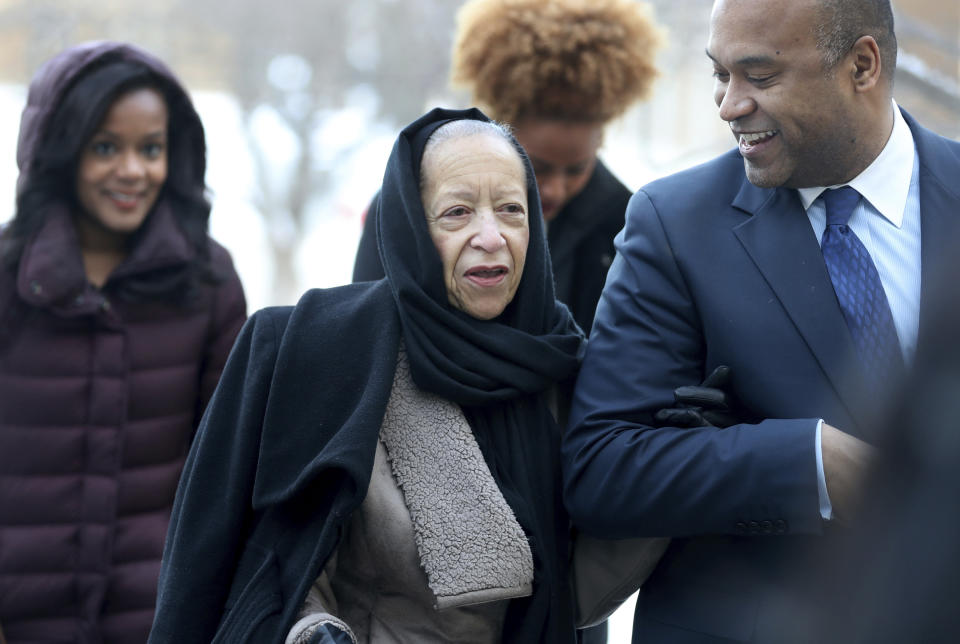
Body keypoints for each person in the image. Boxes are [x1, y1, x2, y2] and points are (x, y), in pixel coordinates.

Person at [562, 0, 960, 641]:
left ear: (862, 65)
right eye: (720, 74)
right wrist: (808, 463)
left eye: (760, 76)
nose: (729, 105)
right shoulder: (673, 224)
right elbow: (603, 468)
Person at [148, 107, 588, 643]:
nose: (491, 236)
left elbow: (583, 582)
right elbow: (267, 564)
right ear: (409, 226)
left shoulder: (563, 367)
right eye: (456, 212)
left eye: (511, 210)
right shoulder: (328, 355)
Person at [0, 41, 246, 644]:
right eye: (105, 147)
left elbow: (227, 472)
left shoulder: (210, 283)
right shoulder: (7, 280)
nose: (133, 170)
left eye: (151, 148)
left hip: (159, 620)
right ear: (61, 151)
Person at [353, 0, 662, 335]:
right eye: (538, 168)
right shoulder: (403, 211)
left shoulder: (628, 226)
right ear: (501, 130)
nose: (555, 189)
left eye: (575, 170)